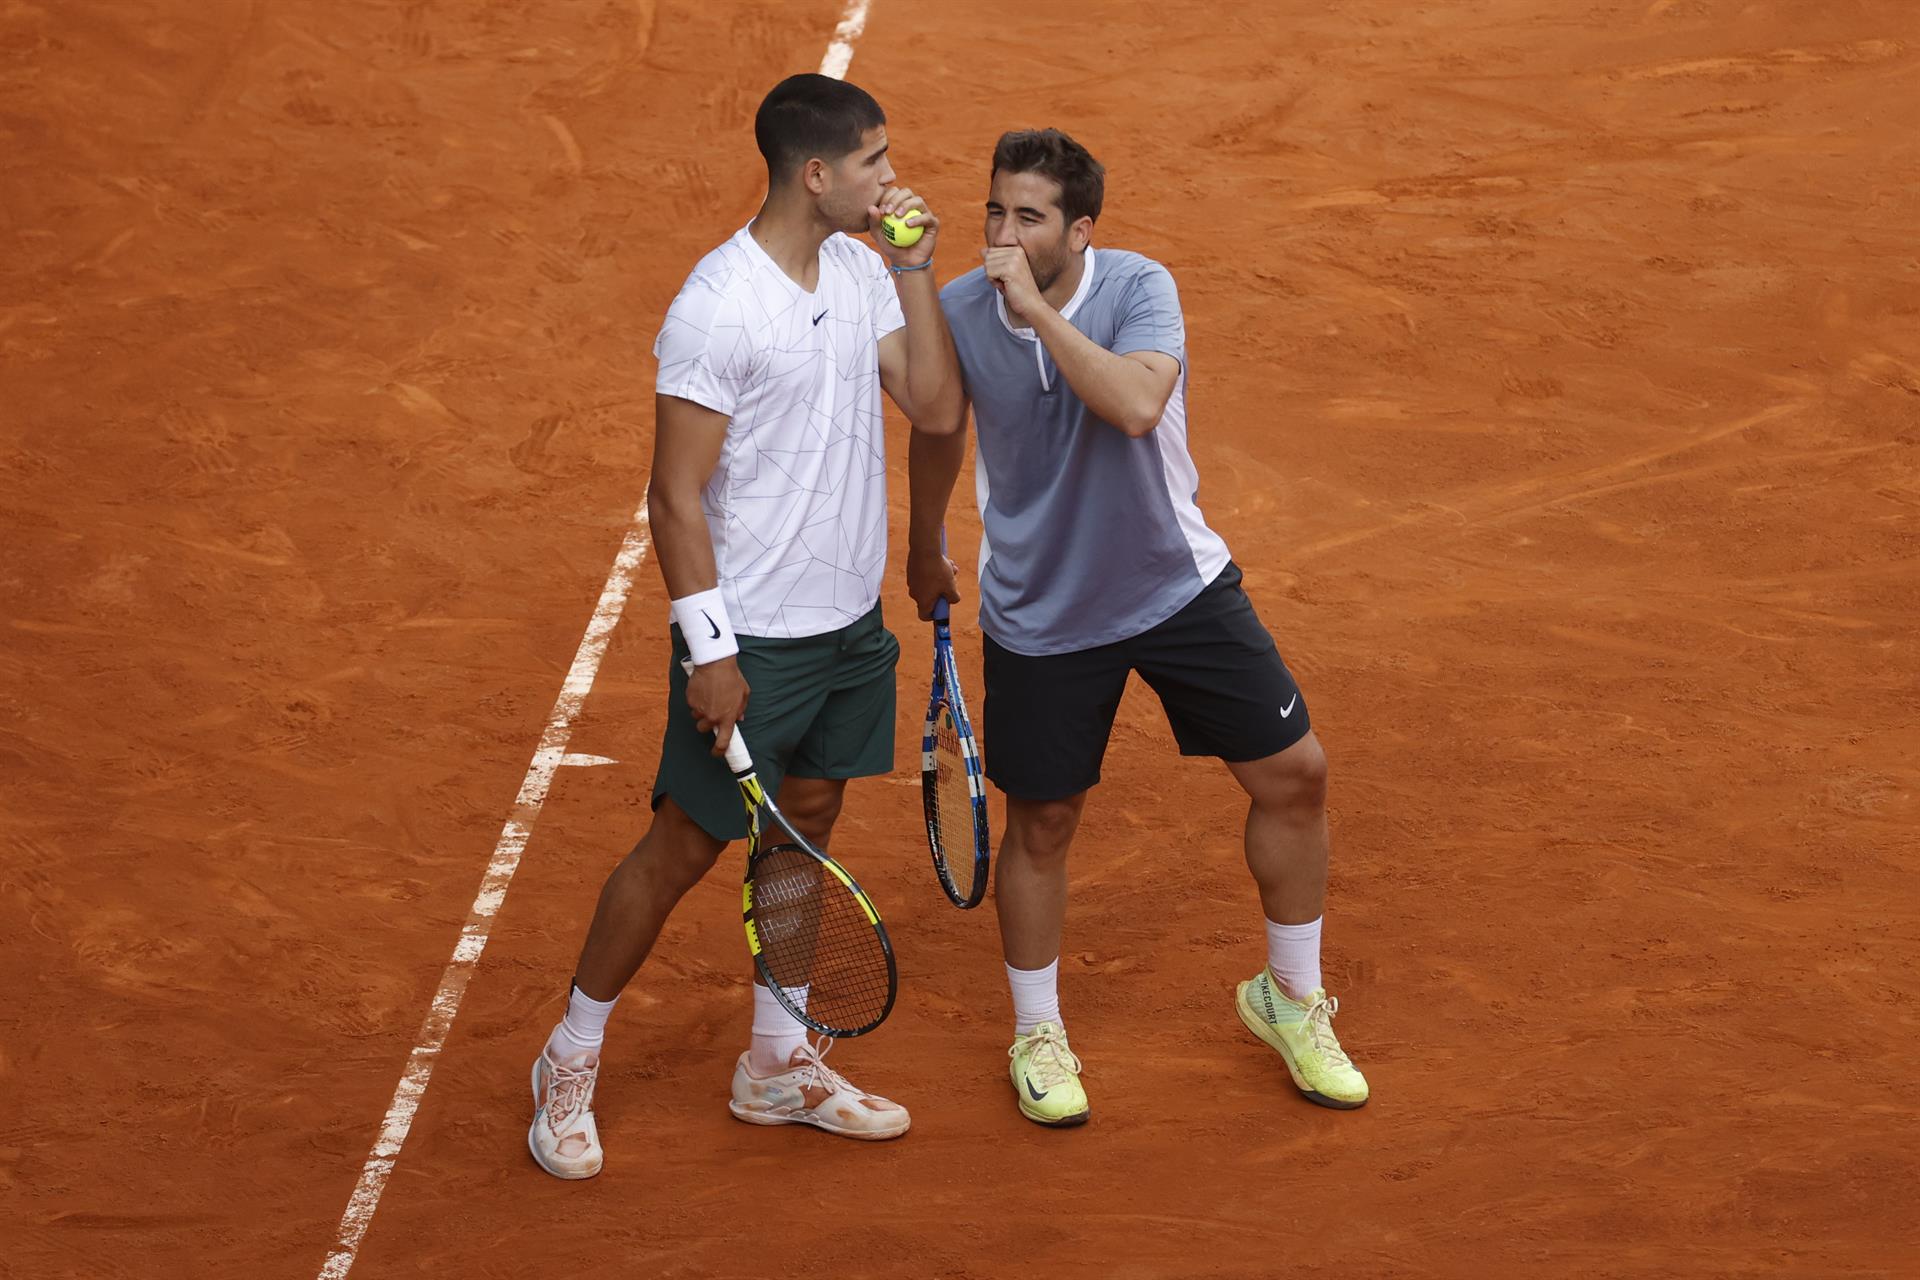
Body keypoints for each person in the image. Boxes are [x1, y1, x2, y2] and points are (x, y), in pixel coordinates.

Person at [528, 73, 962, 1178]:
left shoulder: (866, 271)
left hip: (847, 624)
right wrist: (711, 652)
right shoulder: (717, 307)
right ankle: (570, 1050)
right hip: (752, 634)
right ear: (816, 175)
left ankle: (777, 1060)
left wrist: (914, 271)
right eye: (873, 159)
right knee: (683, 842)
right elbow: (675, 495)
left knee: (803, 826)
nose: (890, 176)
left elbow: (938, 407)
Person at [906, 128, 1369, 1127]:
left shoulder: (1137, 288)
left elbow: (1135, 402)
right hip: (1042, 610)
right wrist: (924, 538)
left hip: (1174, 587)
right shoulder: (957, 310)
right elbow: (939, 424)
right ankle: (1038, 1030)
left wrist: (1032, 309)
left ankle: (1289, 999)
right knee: (1044, 822)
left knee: (1297, 773)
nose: (1003, 232)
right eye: (994, 211)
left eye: (1028, 216)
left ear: (1081, 228)